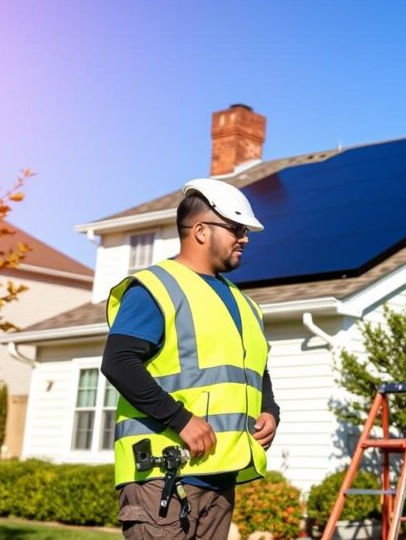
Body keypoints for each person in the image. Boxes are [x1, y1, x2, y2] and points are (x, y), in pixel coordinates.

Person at [101, 178, 280, 540]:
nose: (244, 237)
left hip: (220, 475)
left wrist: (270, 410)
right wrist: (180, 419)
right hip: (163, 475)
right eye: (236, 228)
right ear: (200, 230)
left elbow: (257, 369)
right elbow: (118, 362)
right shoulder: (155, 288)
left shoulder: (244, 303)